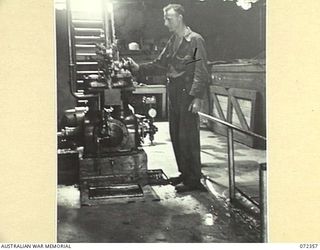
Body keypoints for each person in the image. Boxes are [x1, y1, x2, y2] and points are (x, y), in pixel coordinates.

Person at [129, 4, 209, 192]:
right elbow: (160, 64)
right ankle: (185, 173)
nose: (165, 23)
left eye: (169, 19)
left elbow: (201, 71)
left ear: (180, 17)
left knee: (187, 137)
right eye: (165, 19)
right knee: (176, 135)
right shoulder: (173, 40)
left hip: (187, 94)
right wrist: (138, 68)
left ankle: (194, 180)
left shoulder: (195, 40)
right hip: (174, 92)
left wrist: (197, 97)